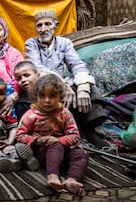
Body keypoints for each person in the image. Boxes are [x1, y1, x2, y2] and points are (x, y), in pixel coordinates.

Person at [24, 9, 107, 147]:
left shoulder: (65, 43)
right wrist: (62, 85)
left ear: (55, 25)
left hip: (62, 83)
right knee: (56, 92)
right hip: (42, 84)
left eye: (47, 24)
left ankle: (89, 128)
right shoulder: (31, 44)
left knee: (87, 86)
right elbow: (38, 68)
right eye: (39, 25)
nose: (43, 29)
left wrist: (83, 89)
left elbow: (76, 64)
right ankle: (78, 131)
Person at [17, 74, 88, 196]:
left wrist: (59, 140)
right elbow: (20, 136)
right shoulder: (31, 115)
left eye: (53, 96)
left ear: (61, 96)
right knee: (55, 146)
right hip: (41, 151)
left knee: (81, 153)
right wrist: (38, 140)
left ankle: (71, 180)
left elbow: (75, 136)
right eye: (42, 96)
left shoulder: (65, 113)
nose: (47, 100)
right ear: (36, 96)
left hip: (62, 150)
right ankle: (53, 176)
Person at [0, 77, 23, 172]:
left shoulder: (6, 110)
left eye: (1, 94)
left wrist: (10, 141)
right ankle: (4, 161)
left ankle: (19, 160)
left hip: (3, 141)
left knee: (12, 150)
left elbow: (13, 127)